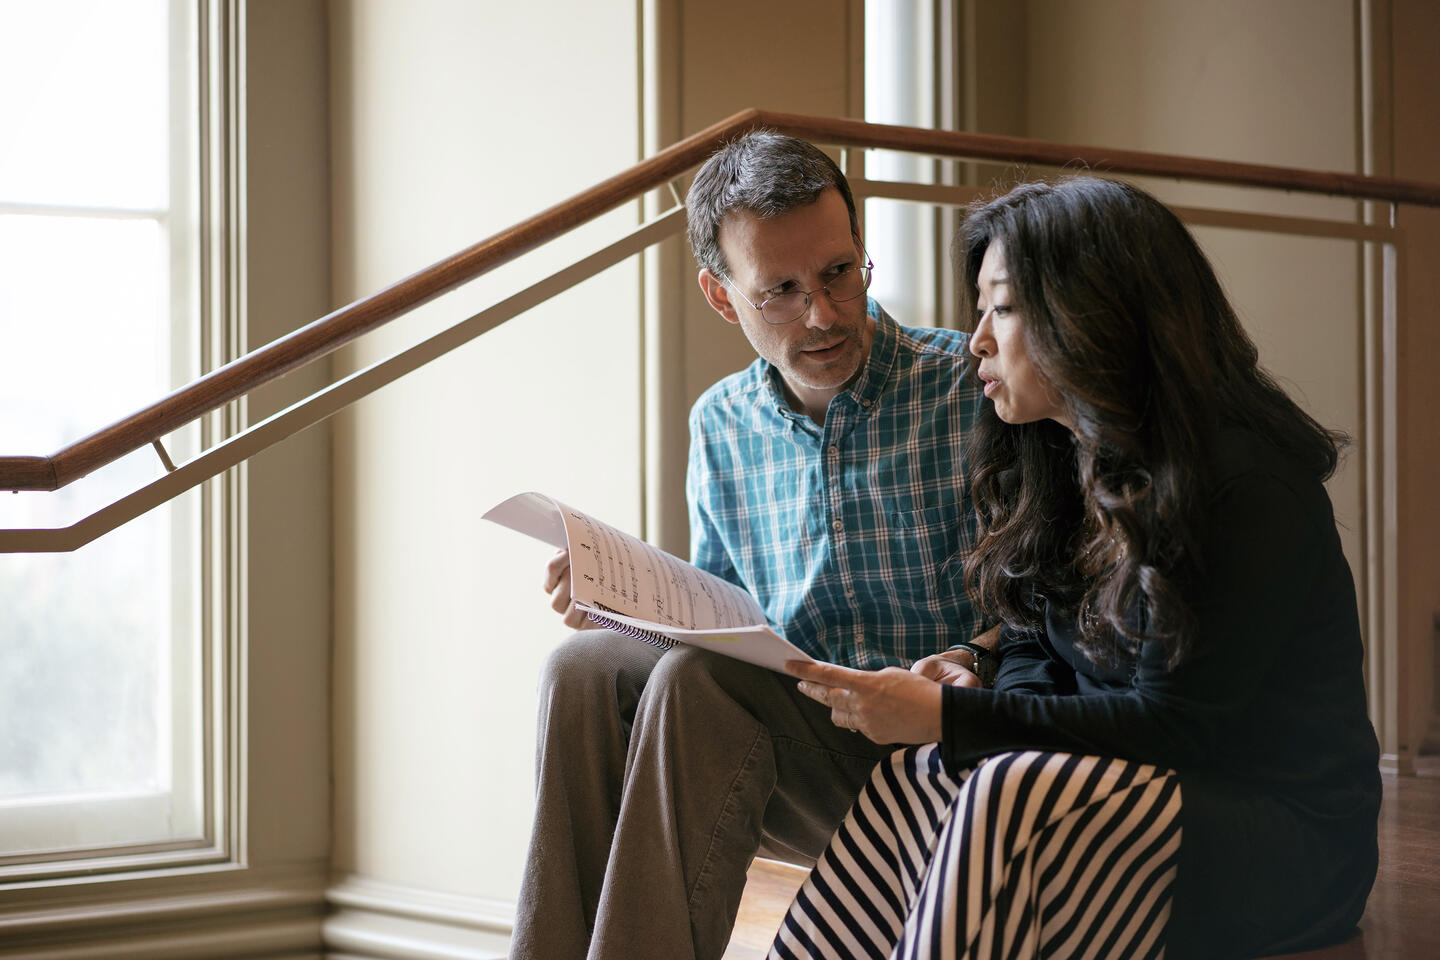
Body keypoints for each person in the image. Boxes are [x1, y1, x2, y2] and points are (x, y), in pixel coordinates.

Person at [772, 177, 1381, 960]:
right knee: (916, 774)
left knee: (999, 783)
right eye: (979, 310)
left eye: (1004, 308)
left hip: (1275, 839)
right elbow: (1031, 642)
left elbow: (1179, 727)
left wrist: (957, 718)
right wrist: (972, 716)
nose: (977, 340)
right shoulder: (1060, 455)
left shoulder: (1243, 483)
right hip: (1134, 795)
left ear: (1091, 312)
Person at [510, 132, 991, 960]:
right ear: (722, 297)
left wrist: (966, 661)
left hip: (934, 747)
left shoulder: (969, 389)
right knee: (581, 670)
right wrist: (619, 607)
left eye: (840, 273)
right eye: (781, 292)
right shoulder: (720, 423)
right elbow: (720, 622)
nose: (824, 314)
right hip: (798, 741)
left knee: (704, 686)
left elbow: (1048, 605)